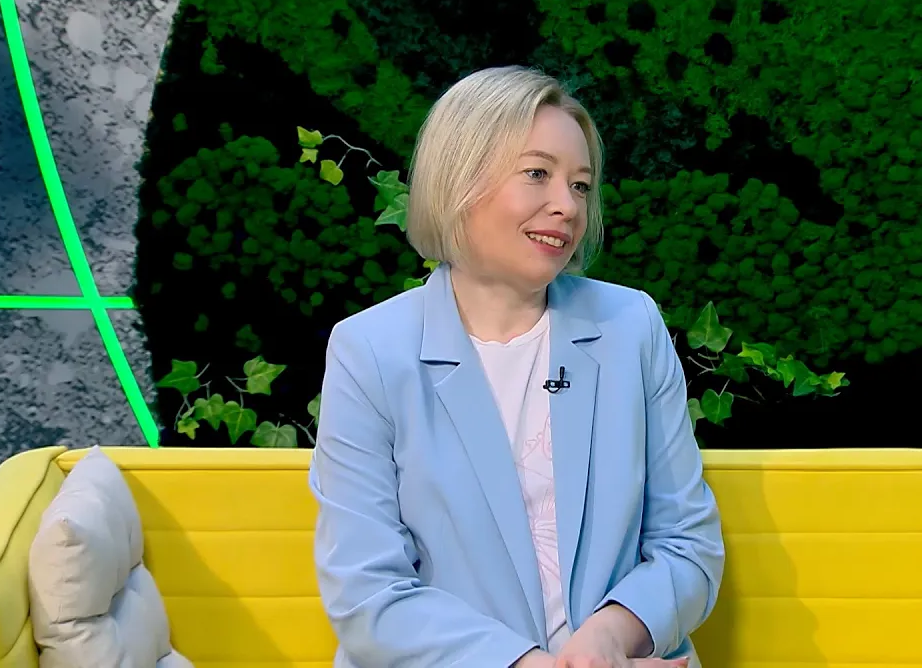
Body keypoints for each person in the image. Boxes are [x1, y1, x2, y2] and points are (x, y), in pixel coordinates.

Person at [309, 65, 725, 668]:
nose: (567, 206)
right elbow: (368, 595)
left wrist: (610, 638)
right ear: (459, 179)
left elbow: (687, 545)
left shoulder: (630, 326)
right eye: (537, 174)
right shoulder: (369, 351)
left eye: (581, 185)